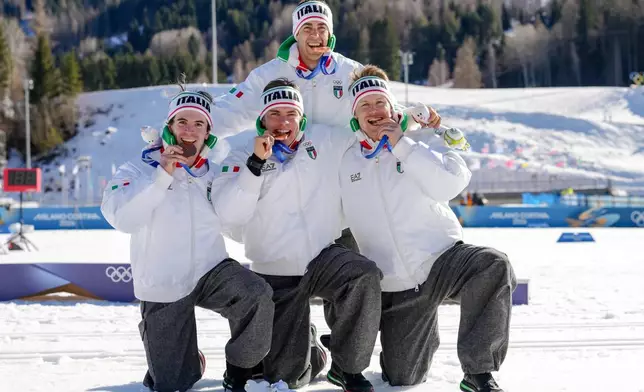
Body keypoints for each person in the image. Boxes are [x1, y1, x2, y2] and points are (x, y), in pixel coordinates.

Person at [336, 65, 517, 392]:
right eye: (365, 106)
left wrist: (405, 144)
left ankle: (478, 371)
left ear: (393, 108)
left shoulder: (418, 138)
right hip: (396, 284)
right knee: (404, 377)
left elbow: (451, 183)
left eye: (381, 103)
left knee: (493, 265)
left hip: (443, 258)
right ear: (354, 117)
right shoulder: (344, 160)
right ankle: (416, 333)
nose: (375, 111)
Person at [210, 0, 442, 252]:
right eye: (307, 28)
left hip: (338, 189)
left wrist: (414, 118)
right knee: (290, 269)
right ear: (296, 33)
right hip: (286, 191)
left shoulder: (349, 71)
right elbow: (230, 110)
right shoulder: (269, 74)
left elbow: (382, 111)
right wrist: (183, 130)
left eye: (322, 28)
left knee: (353, 267)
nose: (315, 35)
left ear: (330, 34)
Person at [101, 87, 278, 392]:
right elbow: (124, 219)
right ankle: (185, 358)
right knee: (171, 384)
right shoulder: (137, 168)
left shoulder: (212, 173)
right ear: (169, 128)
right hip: (163, 280)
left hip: (211, 269)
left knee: (256, 294)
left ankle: (239, 369)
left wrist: (254, 166)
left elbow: (231, 216)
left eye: (199, 124)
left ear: (208, 133)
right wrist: (163, 174)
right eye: (182, 122)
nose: (190, 130)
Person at [211, 78, 382, 392]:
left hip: (322, 257)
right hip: (276, 271)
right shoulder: (240, 154)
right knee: (287, 378)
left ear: (301, 118)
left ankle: (348, 368)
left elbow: (370, 130)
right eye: (274, 114)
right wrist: (255, 165)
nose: (283, 122)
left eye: (290, 113)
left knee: (363, 274)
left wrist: (414, 120)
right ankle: (312, 352)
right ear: (262, 120)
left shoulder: (326, 140)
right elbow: (228, 214)